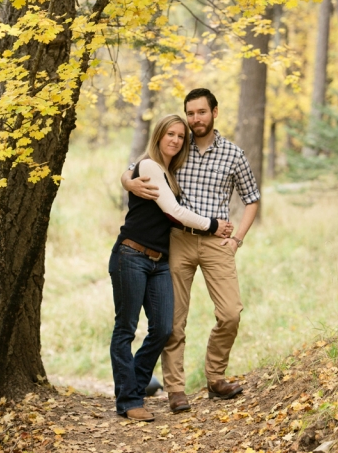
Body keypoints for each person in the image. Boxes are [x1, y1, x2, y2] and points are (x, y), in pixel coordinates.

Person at [122, 88, 260, 413]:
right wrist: (127, 182)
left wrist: (237, 238)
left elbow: (252, 199)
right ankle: (175, 390)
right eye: (191, 113)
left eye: (201, 112)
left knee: (230, 314)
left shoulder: (233, 154)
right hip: (178, 240)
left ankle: (215, 378)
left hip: (217, 243)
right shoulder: (176, 147)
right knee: (174, 320)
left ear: (215, 112)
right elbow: (136, 167)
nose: (196, 118)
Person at [110, 114, 231, 422]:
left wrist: (125, 176)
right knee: (126, 328)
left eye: (180, 135)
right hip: (131, 255)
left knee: (164, 328)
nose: (176, 140)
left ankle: (135, 386)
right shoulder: (150, 165)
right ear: (159, 136)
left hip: (160, 261)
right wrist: (214, 225)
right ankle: (129, 400)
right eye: (170, 134)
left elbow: (132, 173)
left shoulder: (169, 171)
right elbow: (173, 211)